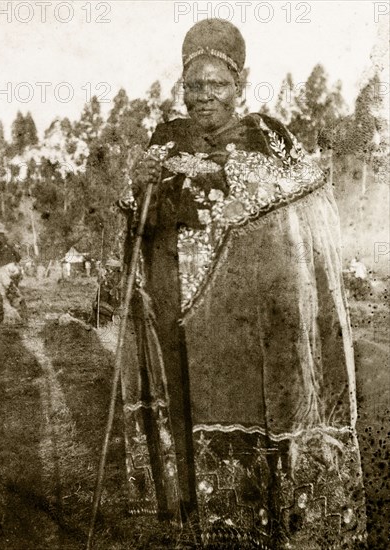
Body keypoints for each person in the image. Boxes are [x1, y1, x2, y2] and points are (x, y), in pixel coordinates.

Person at [120, 20, 367, 549]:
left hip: (246, 312)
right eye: (194, 85)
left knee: (245, 407)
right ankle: (189, 516)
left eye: (218, 84)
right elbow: (136, 212)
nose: (204, 96)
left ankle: (259, 519)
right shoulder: (165, 139)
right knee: (183, 402)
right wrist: (140, 186)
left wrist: (209, 186)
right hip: (172, 300)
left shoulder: (266, 137)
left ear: (241, 85)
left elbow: (293, 198)